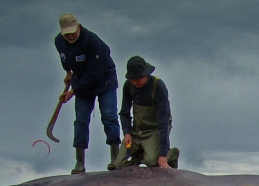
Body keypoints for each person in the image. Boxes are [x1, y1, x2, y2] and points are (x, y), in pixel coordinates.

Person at [54, 13, 122, 174]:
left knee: (109, 116)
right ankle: (79, 163)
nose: (70, 36)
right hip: (81, 80)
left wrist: (73, 91)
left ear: (78, 26)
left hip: (104, 80)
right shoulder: (59, 41)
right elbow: (64, 58)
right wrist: (68, 73)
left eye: (73, 32)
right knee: (81, 120)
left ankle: (115, 159)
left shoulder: (93, 42)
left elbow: (95, 73)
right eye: (66, 34)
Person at [116, 55, 180, 169]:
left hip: (154, 130)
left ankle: (172, 154)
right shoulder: (128, 86)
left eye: (138, 78)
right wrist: (127, 132)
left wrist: (163, 155)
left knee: (153, 162)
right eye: (132, 79)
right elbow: (124, 112)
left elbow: (163, 122)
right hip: (136, 131)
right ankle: (141, 153)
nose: (135, 82)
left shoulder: (158, 86)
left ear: (146, 74)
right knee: (120, 164)